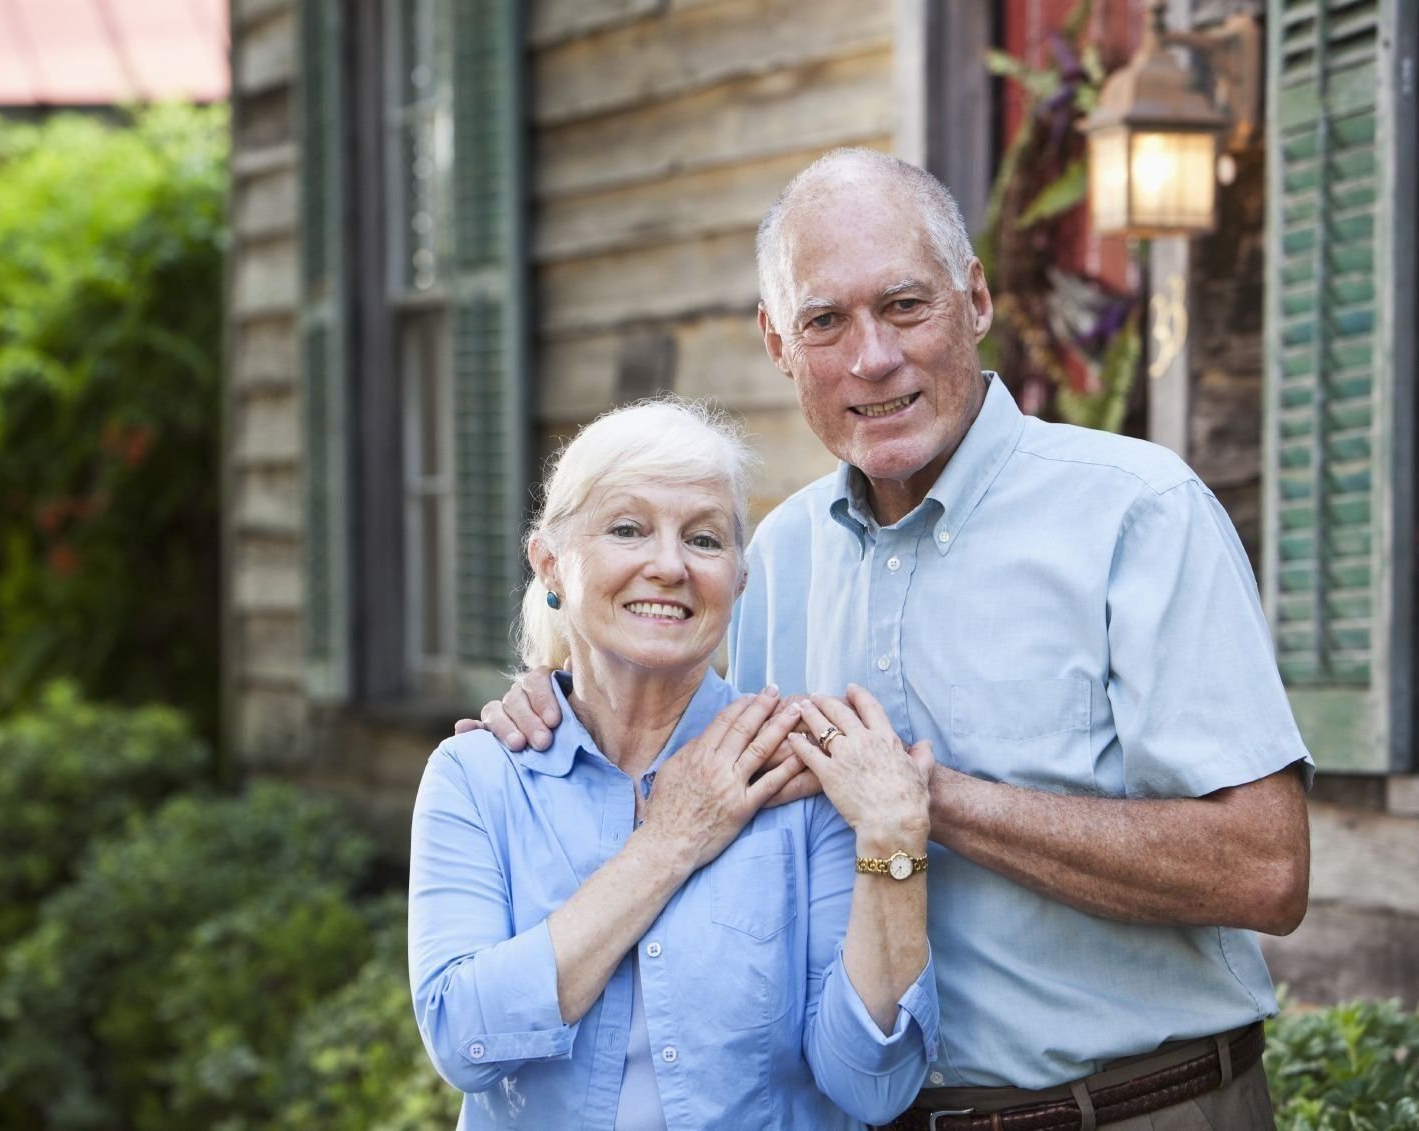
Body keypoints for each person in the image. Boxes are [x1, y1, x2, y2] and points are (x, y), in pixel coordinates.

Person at [465, 148, 1313, 1130]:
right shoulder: (772, 560)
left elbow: (1265, 868)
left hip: (1140, 1108)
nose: (871, 357)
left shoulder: (1139, 512)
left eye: (904, 306)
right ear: (779, 344)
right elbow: (681, 782)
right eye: (825, 321)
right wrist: (550, 701)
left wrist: (926, 804)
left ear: (976, 300)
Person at [409, 399, 943, 1129]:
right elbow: (462, 1035)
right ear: (550, 563)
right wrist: (670, 839)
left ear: (738, 580)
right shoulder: (479, 775)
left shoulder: (796, 774)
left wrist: (894, 844)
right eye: (628, 529)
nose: (669, 565)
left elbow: (871, 1086)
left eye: (703, 538)